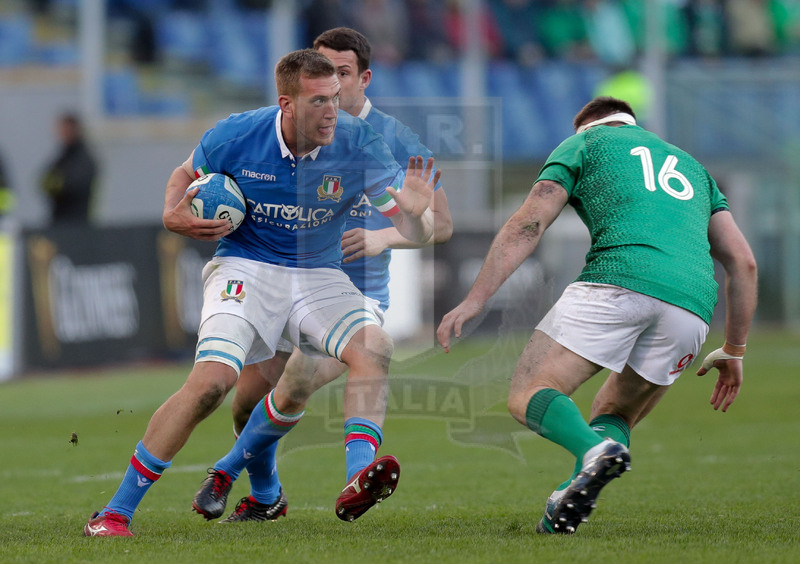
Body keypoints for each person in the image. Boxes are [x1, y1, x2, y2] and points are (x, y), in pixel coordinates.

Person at [83, 48, 439, 537]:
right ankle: (114, 513)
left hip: (319, 272)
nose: (332, 111)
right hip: (247, 267)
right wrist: (173, 215)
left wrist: (416, 214)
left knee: (375, 346)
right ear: (286, 105)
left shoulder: (360, 143)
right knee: (214, 384)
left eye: (336, 97)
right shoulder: (235, 135)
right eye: (318, 101)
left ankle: (358, 477)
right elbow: (183, 176)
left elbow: (415, 231)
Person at [437, 96, 757, 534]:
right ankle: (562, 508)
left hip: (619, 278)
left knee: (529, 392)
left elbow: (529, 222)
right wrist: (735, 348)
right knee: (617, 412)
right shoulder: (692, 167)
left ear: (585, 126)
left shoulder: (586, 144)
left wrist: (475, 299)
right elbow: (743, 262)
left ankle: (593, 452)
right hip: (694, 306)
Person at [191, 27, 453, 525]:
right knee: (247, 400)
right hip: (283, 281)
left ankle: (231, 472)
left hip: (354, 292)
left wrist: (385, 238)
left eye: (343, 73)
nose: (332, 83)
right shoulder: (283, 133)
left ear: (363, 78)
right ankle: (265, 494)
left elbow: (441, 225)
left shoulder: (396, 140)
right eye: (323, 72)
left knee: (297, 380)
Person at [40, 113, 98, 224]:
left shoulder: (83, 159)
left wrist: (58, 184)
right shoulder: (63, 157)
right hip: (58, 221)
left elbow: (74, 185)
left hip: (77, 223)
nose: (60, 133)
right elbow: (44, 181)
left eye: (64, 129)